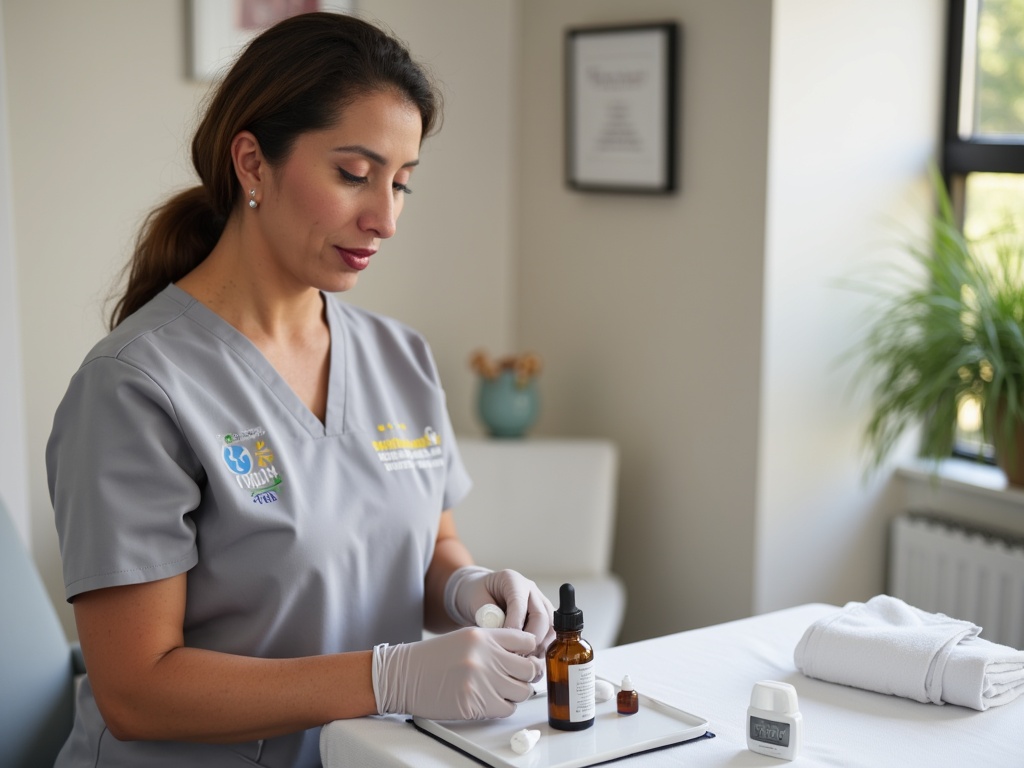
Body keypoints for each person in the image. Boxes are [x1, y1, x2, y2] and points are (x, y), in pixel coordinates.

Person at [46, 12, 554, 767]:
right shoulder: (136, 388)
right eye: (354, 174)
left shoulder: (399, 358)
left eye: (402, 182)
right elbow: (135, 692)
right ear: (252, 163)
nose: (384, 217)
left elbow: (428, 542)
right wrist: (389, 676)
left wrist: (467, 588)